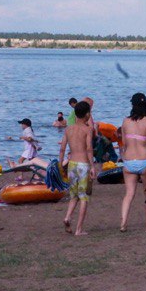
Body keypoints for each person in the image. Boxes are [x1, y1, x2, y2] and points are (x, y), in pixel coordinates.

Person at [119, 93, 146, 232]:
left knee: (129, 194)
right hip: (145, 161)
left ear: (132, 105)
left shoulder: (125, 121)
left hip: (129, 161)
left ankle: (123, 223)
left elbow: (124, 143)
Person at [59, 100, 95, 236]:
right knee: (84, 197)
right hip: (83, 165)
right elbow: (89, 149)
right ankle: (79, 229)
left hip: (72, 164)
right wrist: (92, 166)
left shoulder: (69, 129)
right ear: (87, 114)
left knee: (74, 196)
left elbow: (62, 148)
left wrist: (60, 164)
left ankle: (67, 217)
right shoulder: (87, 129)